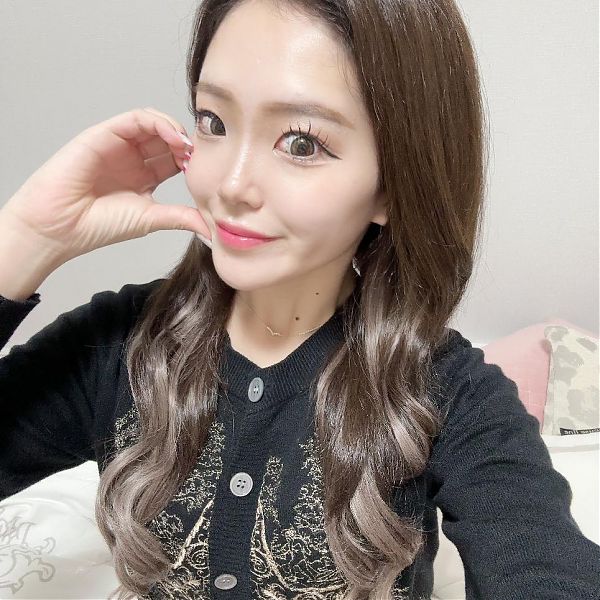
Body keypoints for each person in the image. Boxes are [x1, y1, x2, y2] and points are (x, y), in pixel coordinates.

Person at [1, 0, 599, 598]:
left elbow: (543, 563)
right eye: (213, 121)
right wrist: (25, 240)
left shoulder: (445, 389)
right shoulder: (119, 346)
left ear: (392, 185)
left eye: (302, 143)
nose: (231, 184)